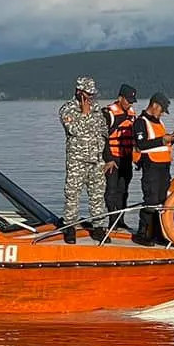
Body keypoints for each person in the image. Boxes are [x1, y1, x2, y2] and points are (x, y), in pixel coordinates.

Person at [59, 76, 109, 244]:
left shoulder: (97, 109)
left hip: (96, 159)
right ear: (80, 93)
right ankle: (70, 227)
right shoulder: (67, 110)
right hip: (77, 161)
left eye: (93, 94)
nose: (92, 98)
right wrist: (85, 114)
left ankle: (99, 227)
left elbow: (103, 129)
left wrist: (102, 150)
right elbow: (74, 130)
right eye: (88, 94)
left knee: (97, 195)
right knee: (72, 195)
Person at [131, 93, 174, 245]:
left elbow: (160, 146)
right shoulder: (141, 122)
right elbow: (142, 145)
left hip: (164, 168)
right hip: (151, 167)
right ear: (154, 105)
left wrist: (172, 139)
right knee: (151, 201)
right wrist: (162, 140)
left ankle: (159, 235)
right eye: (162, 110)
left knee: (162, 202)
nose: (162, 114)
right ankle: (143, 234)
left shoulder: (159, 123)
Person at [102, 83, 138, 230]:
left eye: (132, 101)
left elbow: (135, 138)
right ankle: (112, 221)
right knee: (111, 190)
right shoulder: (108, 113)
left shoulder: (132, 114)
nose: (129, 103)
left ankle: (120, 220)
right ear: (120, 98)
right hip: (113, 159)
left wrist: (137, 158)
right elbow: (102, 138)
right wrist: (108, 159)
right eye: (128, 100)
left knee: (123, 191)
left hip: (126, 159)